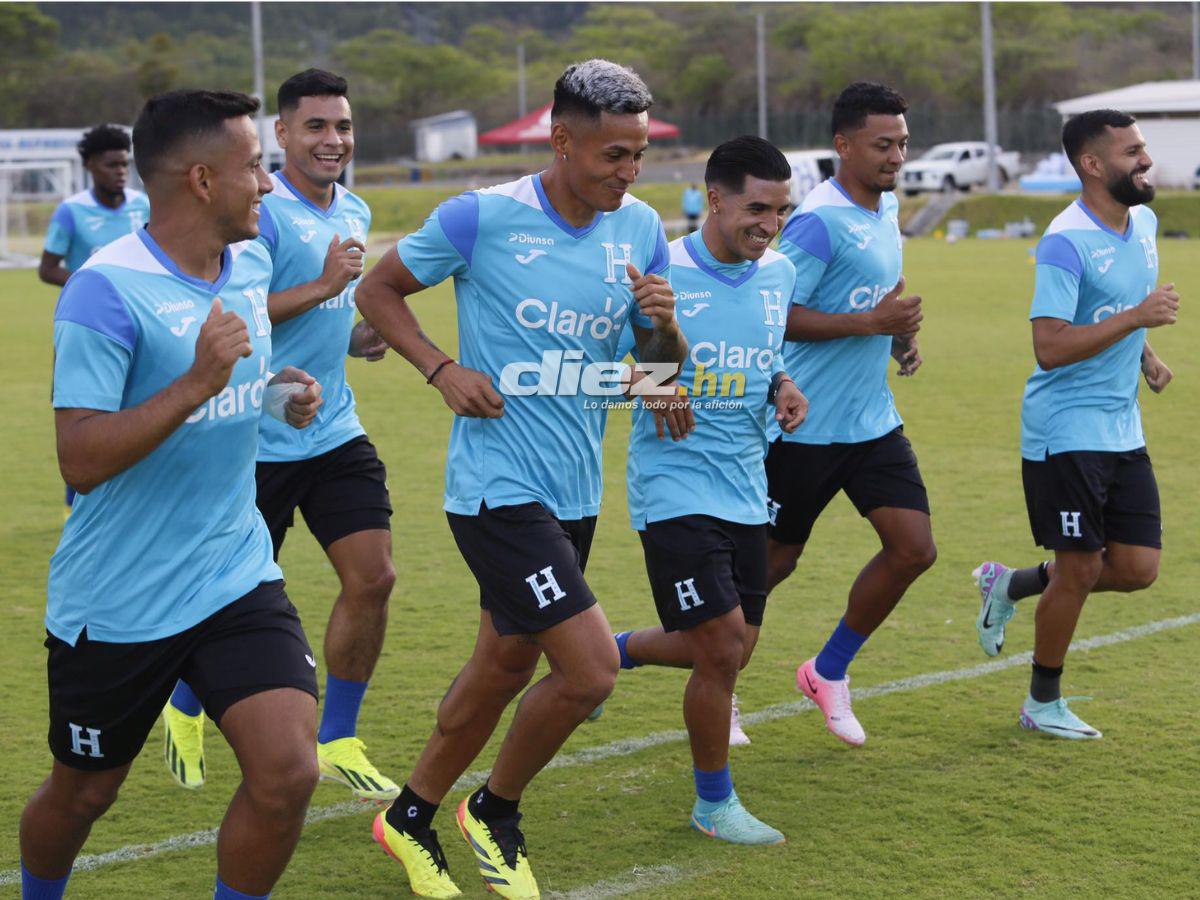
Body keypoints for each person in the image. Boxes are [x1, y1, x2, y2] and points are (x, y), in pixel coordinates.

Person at [355, 59, 685, 900]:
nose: (628, 172)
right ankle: (494, 812)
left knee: (503, 665)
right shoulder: (482, 218)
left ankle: (409, 816)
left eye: (638, 153)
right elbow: (378, 289)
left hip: (577, 491)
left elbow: (653, 375)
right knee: (589, 672)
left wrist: (663, 335)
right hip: (497, 490)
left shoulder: (642, 227)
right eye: (612, 154)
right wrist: (439, 368)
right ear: (563, 139)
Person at [19, 90, 325, 900]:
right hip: (118, 597)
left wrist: (272, 394)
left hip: (232, 571)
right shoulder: (104, 292)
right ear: (199, 178)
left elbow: (237, 380)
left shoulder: (249, 264)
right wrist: (196, 381)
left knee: (290, 770)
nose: (266, 182)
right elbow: (80, 457)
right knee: (84, 792)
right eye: (255, 165)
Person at [161, 68, 399, 803]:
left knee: (375, 576)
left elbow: (329, 319)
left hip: (332, 431)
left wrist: (358, 335)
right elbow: (242, 311)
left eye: (345, 127)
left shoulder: (354, 207)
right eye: (318, 127)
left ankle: (341, 736)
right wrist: (327, 288)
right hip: (256, 440)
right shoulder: (259, 211)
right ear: (283, 134)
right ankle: (183, 707)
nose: (335, 140)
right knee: (223, 597)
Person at [613, 136, 806, 845]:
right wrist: (652, 382)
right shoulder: (660, 270)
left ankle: (610, 651)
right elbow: (592, 364)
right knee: (722, 646)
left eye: (782, 210)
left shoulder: (777, 272)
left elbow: (768, 348)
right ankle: (714, 803)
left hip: (745, 487)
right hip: (672, 484)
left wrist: (784, 384)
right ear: (714, 197)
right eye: (758, 207)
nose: (770, 224)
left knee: (733, 647)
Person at [972, 109, 1174, 740]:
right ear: (1092, 165)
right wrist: (1139, 316)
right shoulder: (1064, 241)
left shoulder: (1143, 221)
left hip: (1122, 425)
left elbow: (1112, 309)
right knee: (1082, 568)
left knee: (1139, 568)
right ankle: (1042, 701)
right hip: (1065, 429)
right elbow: (1051, 347)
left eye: (1143, 148)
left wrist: (1144, 352)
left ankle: (1010, 584)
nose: (1145, 160)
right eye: (1132, 151)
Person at [764, 82, 934, 747]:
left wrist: (897, 336)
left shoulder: (886, 206)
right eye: (883, 144)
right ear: (844, 145)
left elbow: (879, 290)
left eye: (902, 143)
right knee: (770, 568)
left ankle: (827, 670)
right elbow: (777, 312)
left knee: (913, 549)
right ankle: (709, 685)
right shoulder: (816, 219)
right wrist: (871, 321)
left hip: (871, 423)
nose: (897, 156)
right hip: (805, 426)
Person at [39, 124, 151, 515]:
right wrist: (98, 286)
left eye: (125, 164)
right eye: (111, 164)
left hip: (142, 328)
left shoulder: (143, 205)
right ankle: (80, 508)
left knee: (138, 410)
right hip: (88, 328)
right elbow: (46, 268)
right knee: (86, 415)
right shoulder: (71, 212)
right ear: (90, 166)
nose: (120, 171)